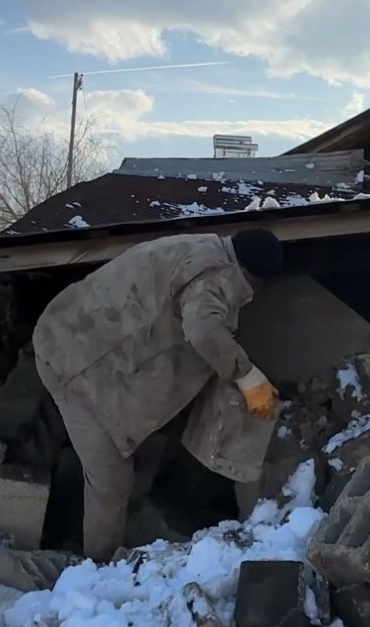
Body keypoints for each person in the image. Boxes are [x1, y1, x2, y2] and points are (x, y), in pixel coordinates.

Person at [31, 229, 284, 562]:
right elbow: (203, 328)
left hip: (76, 341)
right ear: (251, 274)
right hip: (72, 362)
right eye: (258, 287)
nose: (254, 295)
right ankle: (98, 569)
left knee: (136, 449)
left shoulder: (202, 247)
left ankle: (112, 541)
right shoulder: (217, 274)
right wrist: (247, 375)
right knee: (111, 478)